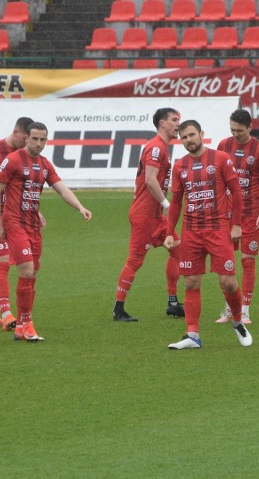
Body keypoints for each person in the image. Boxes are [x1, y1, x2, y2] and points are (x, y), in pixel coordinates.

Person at [0, 122, 93, 341]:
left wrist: (80, 207)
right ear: (26, 138)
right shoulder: (13, 160)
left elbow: (61, 188)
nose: (39, 144)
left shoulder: (45, 164)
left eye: (43, 140)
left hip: (33, 226)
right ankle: (26, 323)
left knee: (33, 273)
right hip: (14, 223)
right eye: (35, 139)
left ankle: (22, 326)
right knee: (26, 270)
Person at [164, 119, 253, 350]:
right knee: (191, 282)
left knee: (228, 282)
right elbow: (175, 202)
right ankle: (192, 335)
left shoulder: (221, 159)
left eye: (192, 135)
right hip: (191, 231)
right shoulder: (180, 165)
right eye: (184, 137)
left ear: (201, 133)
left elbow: (236, 192)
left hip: (218, 229)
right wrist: (169, 232)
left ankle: (237, 321)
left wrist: (236, 225)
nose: (188, 140)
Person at [112, 107, 184, 322]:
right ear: (163, 123)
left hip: (156, 216)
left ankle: (172, 303)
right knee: (134, 261)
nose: (178, 124)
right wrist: (166, 203)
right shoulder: (155, 148)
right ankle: (118, 309)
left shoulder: (161, 147)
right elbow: (150, 180)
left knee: (180, 251)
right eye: (174, 119)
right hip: (144, 215)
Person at [214, 108, 259, 325]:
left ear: (250, 127)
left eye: (240, 131)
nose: (236, 135)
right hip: (226, 215)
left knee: (247, 261)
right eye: (232, 130)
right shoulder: (223, 145)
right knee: (225, 263)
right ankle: (229, 308)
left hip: (250, 214)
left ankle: (246, 310)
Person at [0, 116, 34, 332]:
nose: (29, 142)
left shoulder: (22, 156)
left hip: (12, 215)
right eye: (27, 138)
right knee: (2, 263)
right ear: (18, 132)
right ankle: (7, 313)